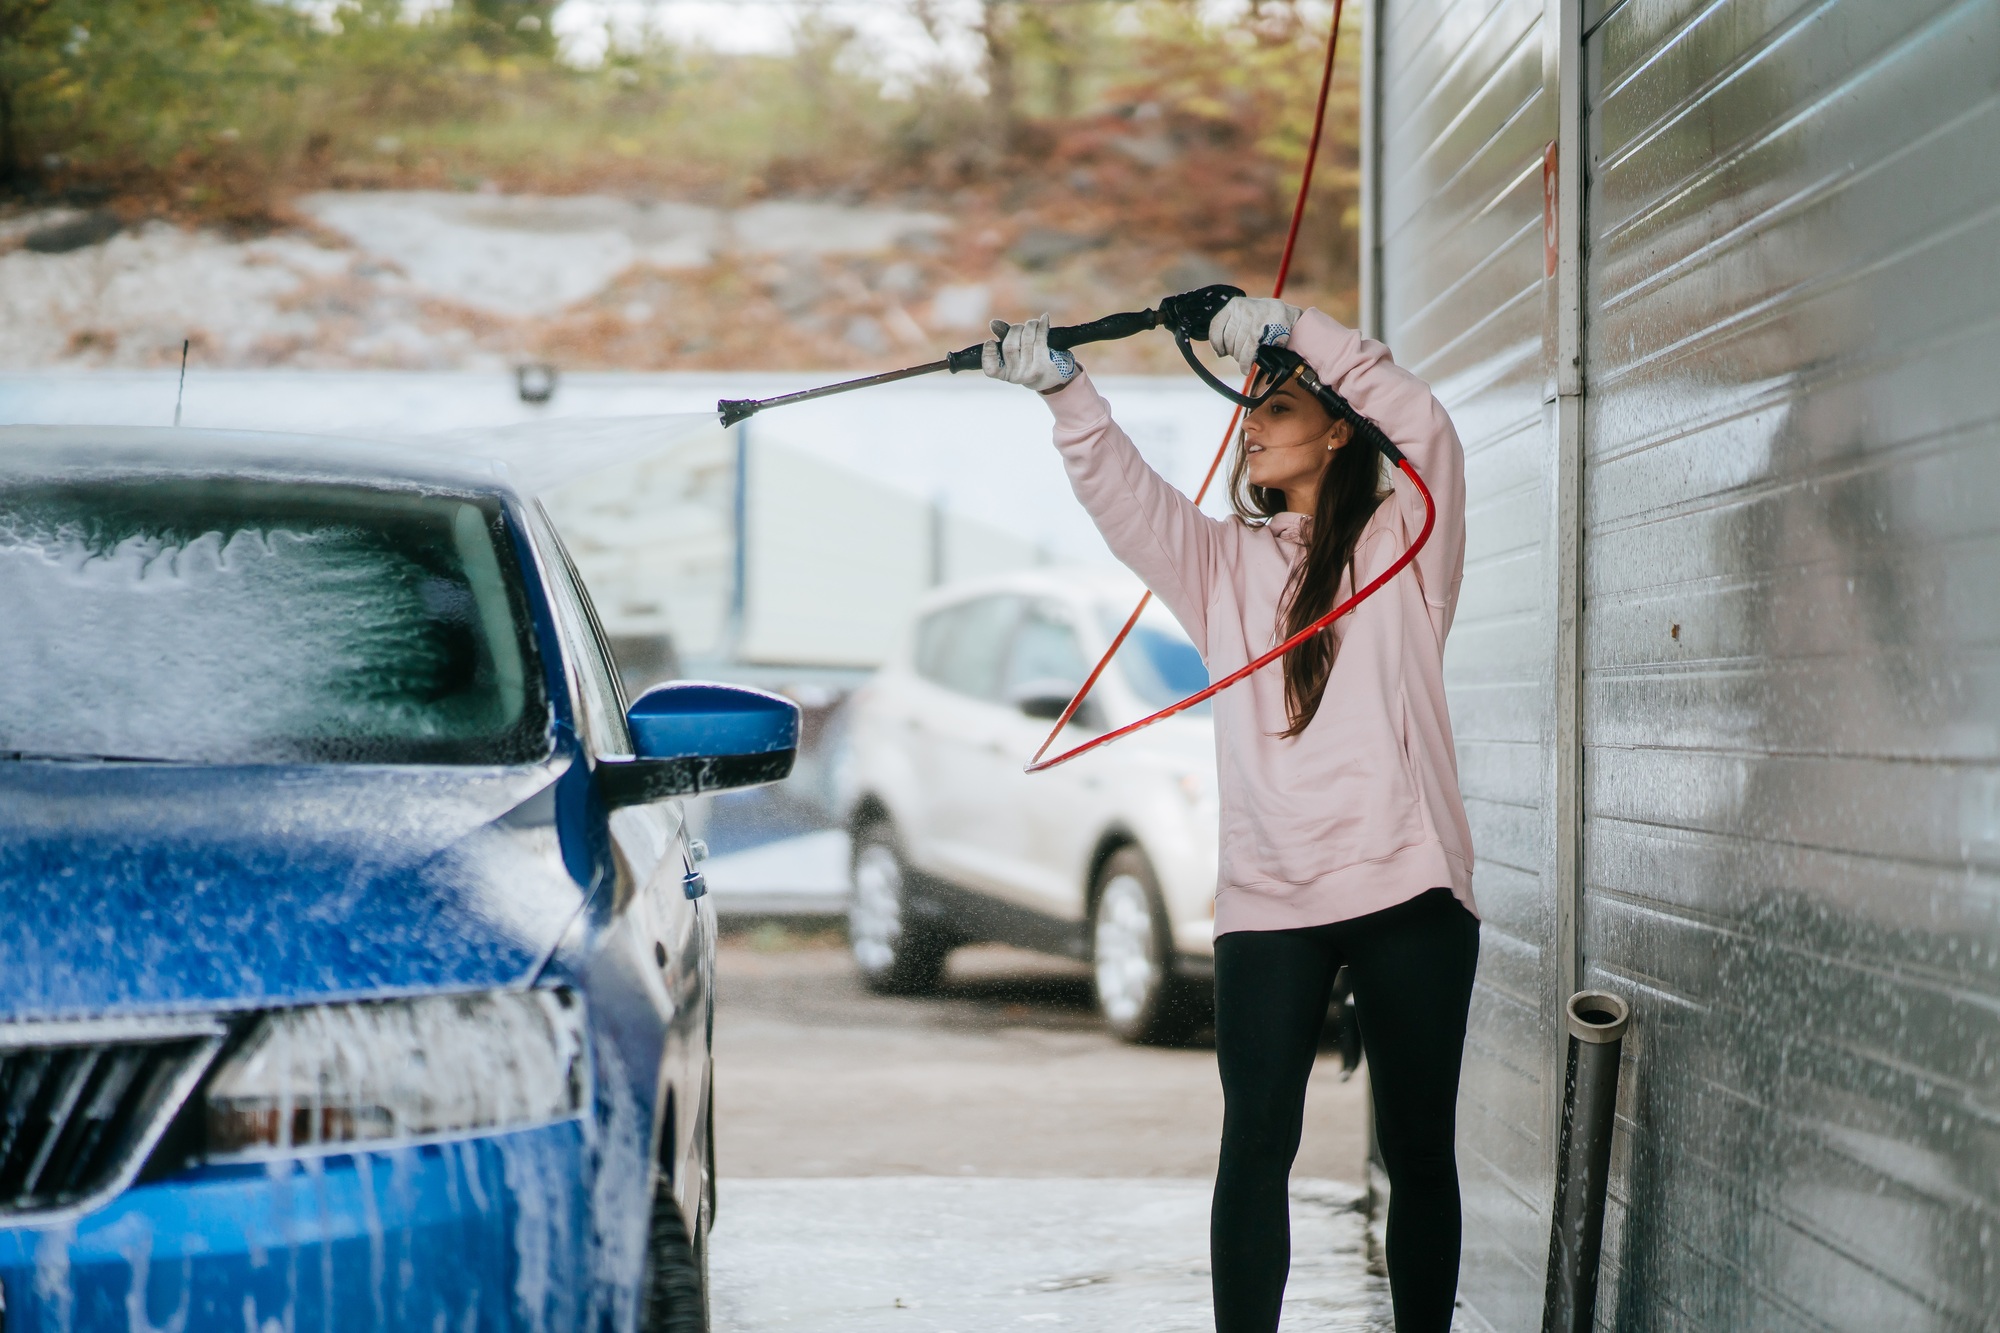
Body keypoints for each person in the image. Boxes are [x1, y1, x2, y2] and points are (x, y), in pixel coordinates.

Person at [983, 298, 1478, 1333]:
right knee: (1254, 1139)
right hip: (1269, 897)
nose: (1249, 418)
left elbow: (1422, 420)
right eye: (1249, 400)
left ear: (1338, 427)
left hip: (1408, 889)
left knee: (1419, 1146)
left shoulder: (1405, 545)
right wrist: (1063, 390)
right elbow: (1121, 497)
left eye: (1277, 402)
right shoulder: (1219, 566)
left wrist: (1291, 328)